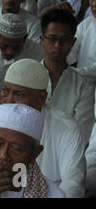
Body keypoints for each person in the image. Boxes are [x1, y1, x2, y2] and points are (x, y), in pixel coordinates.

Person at [0, 59, 87, 198]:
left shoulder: (67, 128)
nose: (8, 101)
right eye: (5, 91)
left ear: (41, 98)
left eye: (19, 95)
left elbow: (73, 185)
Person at [39, 9, 95, 143]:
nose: (57, 45)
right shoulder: (26, 76)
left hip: (65, 156)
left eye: (64, 40)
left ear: (73, 42)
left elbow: (81, 133)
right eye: (52, 39)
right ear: (42, 40)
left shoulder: (83, 85)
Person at [67, 0, 96, 83]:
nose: (94, 4)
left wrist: (72, 73)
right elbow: (70, 51)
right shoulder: (86, 24)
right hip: (81, 84)